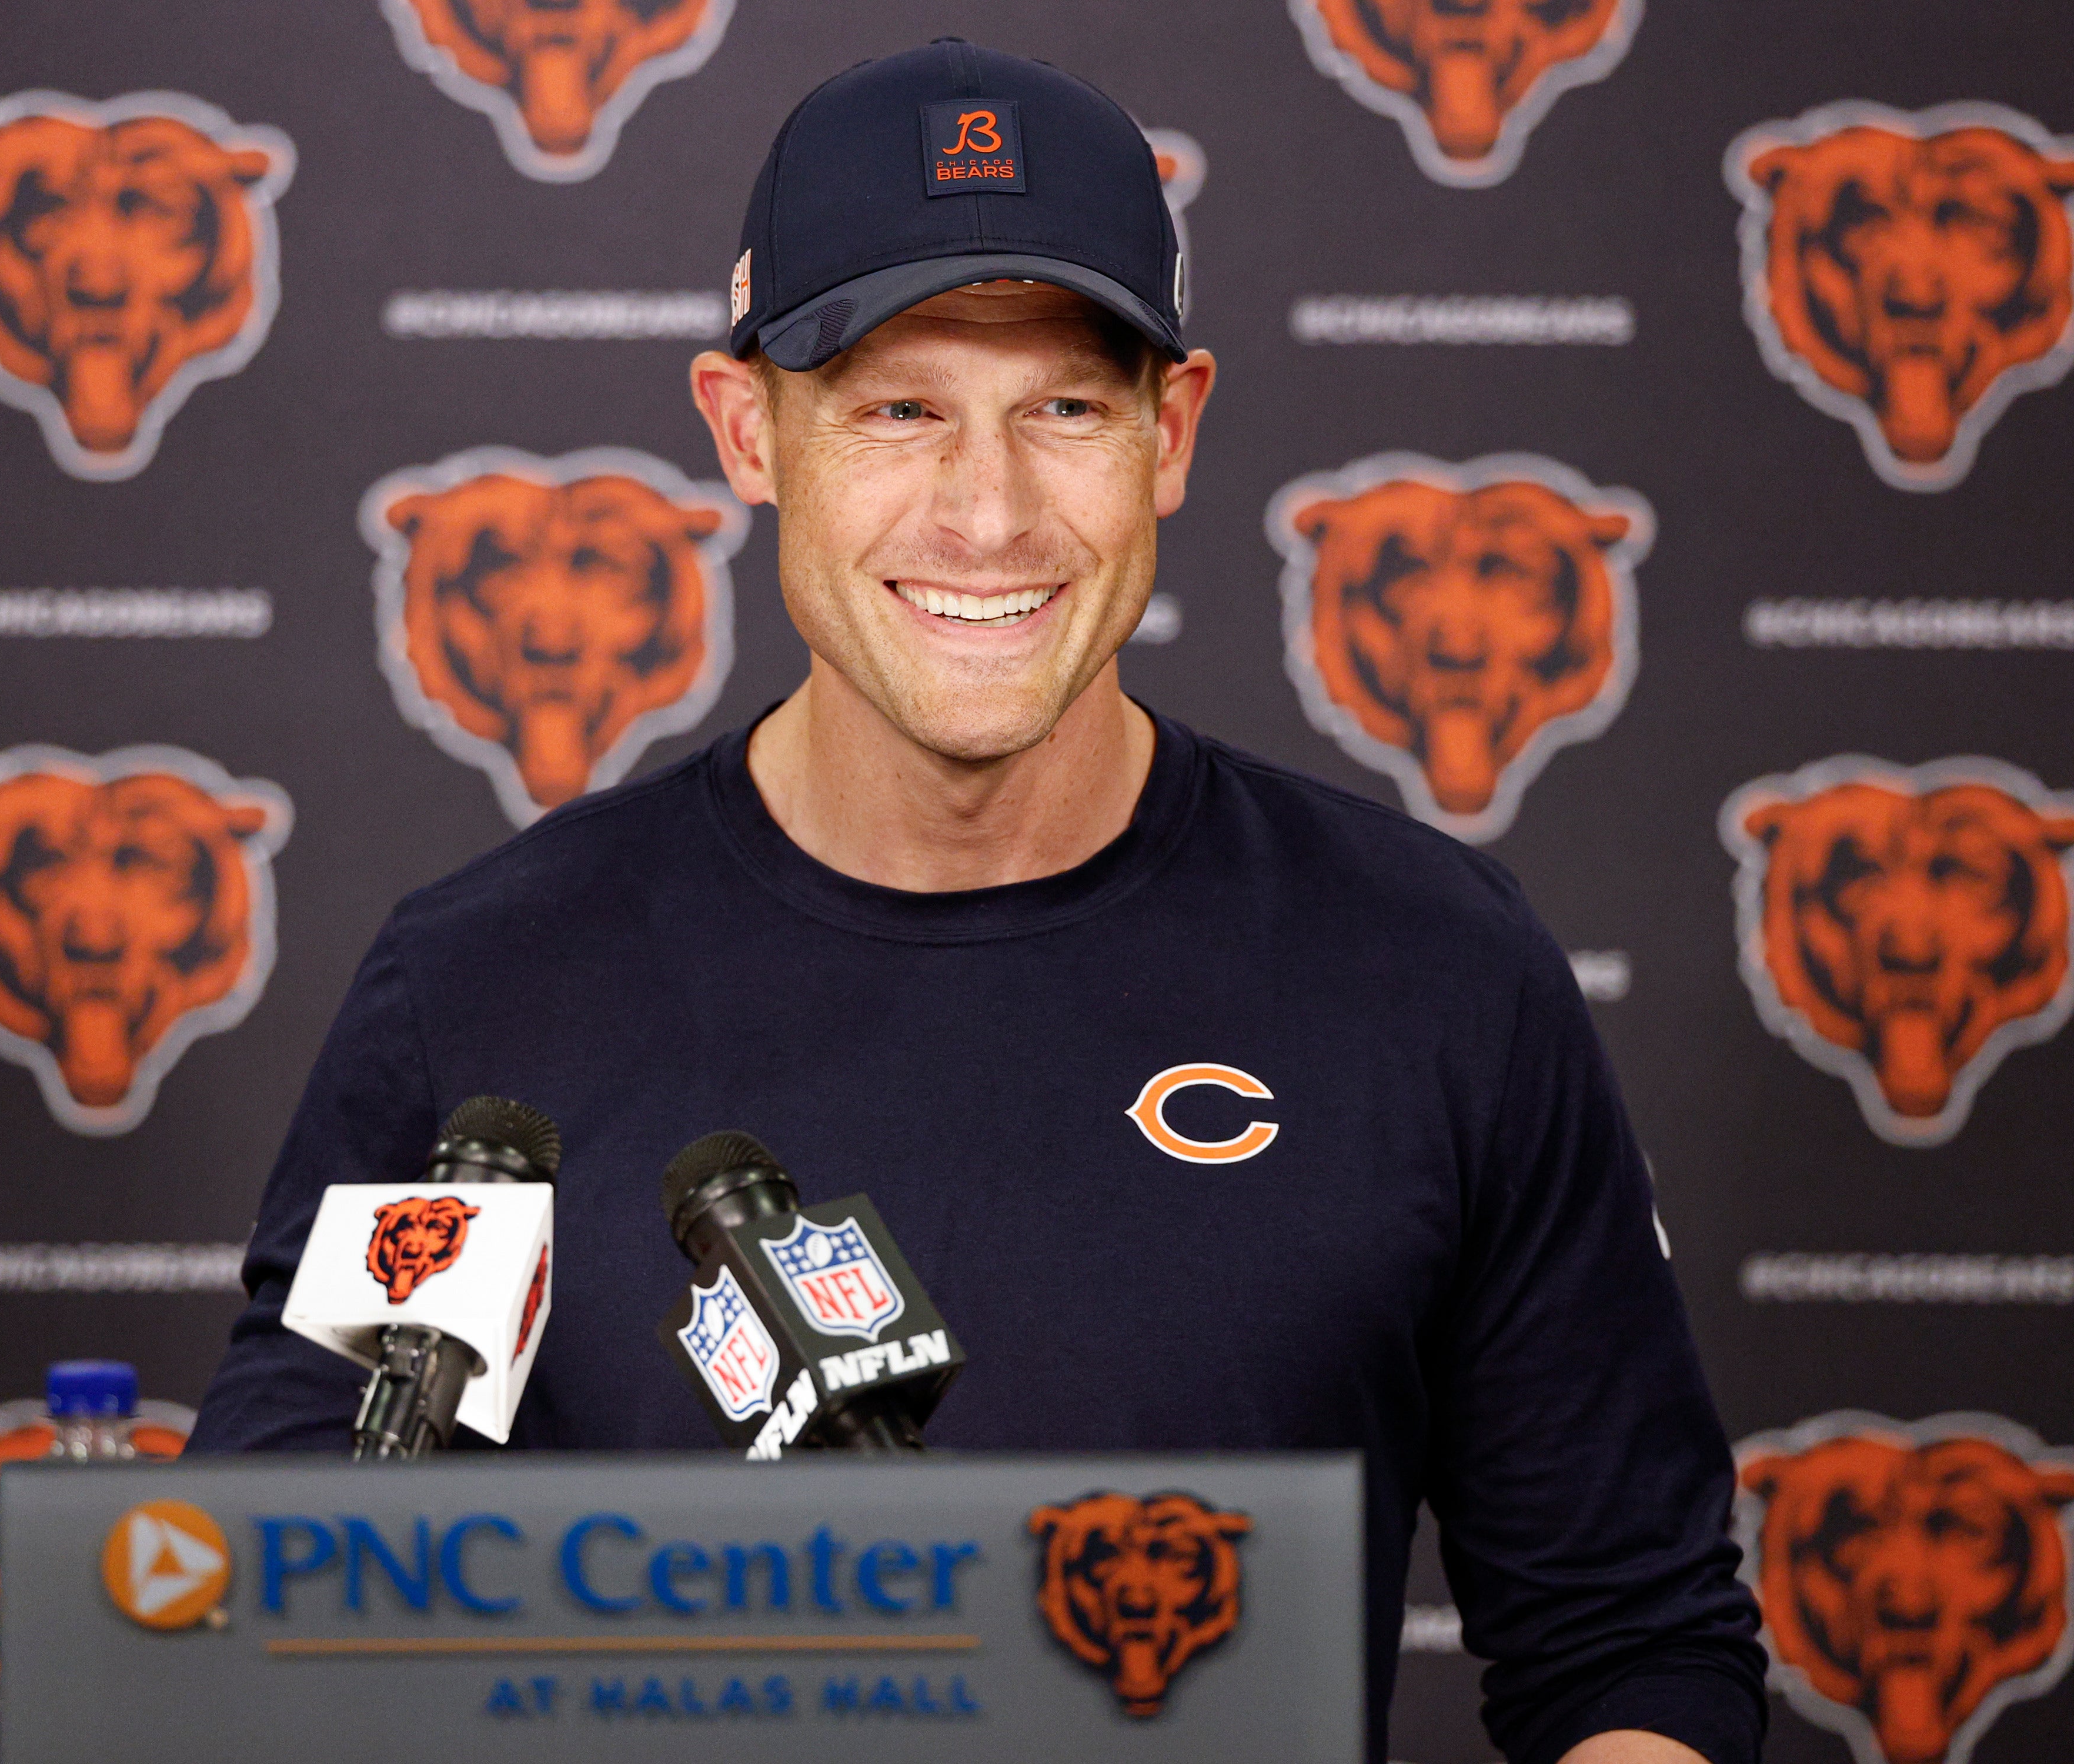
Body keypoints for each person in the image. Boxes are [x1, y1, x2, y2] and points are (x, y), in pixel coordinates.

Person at [191, 38, 1764, 1764]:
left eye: (1065, 409)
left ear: (1171, 433)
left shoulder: (1435, 969)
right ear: (746, 431)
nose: (989, 513)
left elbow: (1632, 1648)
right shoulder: (483, 990)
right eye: (898, 408)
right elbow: (278, 1635)